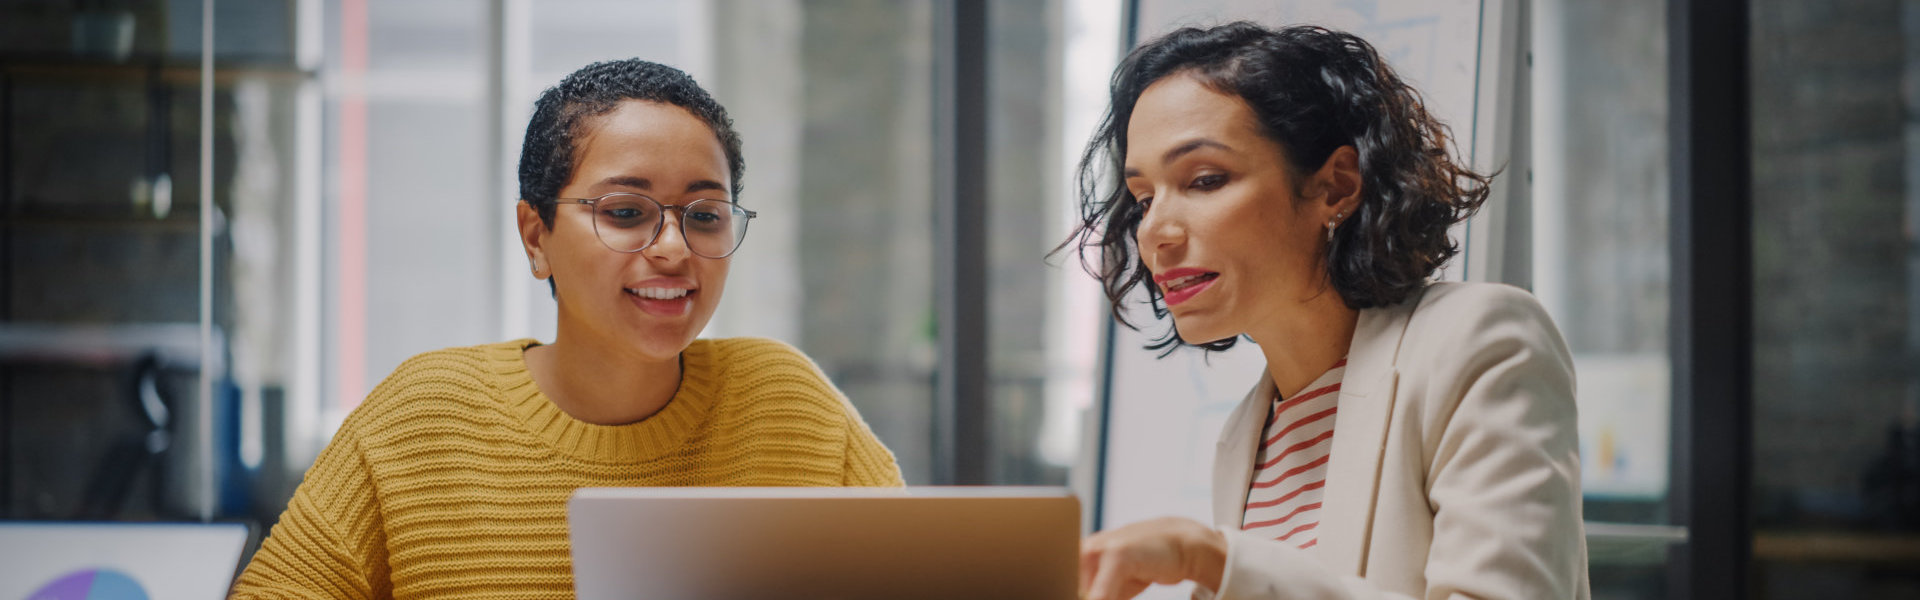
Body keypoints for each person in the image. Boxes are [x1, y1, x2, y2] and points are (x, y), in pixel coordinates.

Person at [231, 59, 903, 598]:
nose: (673, 247)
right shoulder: (422, 418)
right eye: (625, 210)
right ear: (536, 235)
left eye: (704, 214)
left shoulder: (790, 404)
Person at [1066, 23, 1588, 599]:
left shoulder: (1482, 343)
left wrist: (1213, 560)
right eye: (1144, 198)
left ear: (1336, 186)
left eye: (1205, 180)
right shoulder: (1247, 433)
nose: (1155, 232)